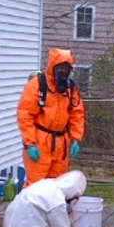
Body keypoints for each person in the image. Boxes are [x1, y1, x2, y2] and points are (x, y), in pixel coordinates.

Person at [17, 48, 86, 187]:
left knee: (59, 186)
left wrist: (75, 139)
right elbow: (25, 115)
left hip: (61, 143)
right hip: (40, 141)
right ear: (53, 67)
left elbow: (77, 114)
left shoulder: (70, 88)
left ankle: (55, 209)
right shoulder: (37, 85)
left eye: (66, 69)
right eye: (60, 67)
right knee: (35, 186)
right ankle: (30, 209)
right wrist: (30, 143)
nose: (63, 72)